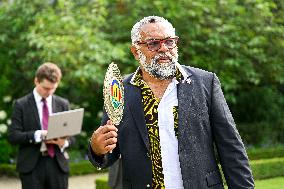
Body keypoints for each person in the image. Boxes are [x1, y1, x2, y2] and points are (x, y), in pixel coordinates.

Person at [88, 16, 254, 189]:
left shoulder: (205, 82)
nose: (164, 49)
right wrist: (96, 149)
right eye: (153, 43)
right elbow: (109, 151)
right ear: (136, 51)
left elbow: (231, 149)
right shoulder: (119, 90)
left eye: (169, 42)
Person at [8, 62, 74, 189]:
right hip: (31, 166)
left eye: (53, 88)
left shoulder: (63, 103)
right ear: (36, 81)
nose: (49, 92)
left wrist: (64, 143)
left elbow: (72, 137)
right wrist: (39, 134)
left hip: (58, 165)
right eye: (46, 88)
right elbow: (13, 136)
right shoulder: (20, 104)